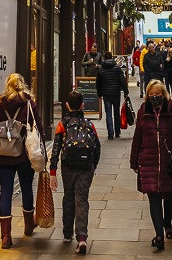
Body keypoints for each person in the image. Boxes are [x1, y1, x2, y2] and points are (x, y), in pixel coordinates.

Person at [0, 73, 45, 249]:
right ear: (22, 85)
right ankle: (28, 225)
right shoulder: (28, 103)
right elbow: (39, 127)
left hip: (3, 156)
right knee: (26, 188)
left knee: (6, 191)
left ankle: (6, 236)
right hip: (24, 155)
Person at [130, 80, 172, 251]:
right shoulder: (143, 112)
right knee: (153, 197)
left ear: (164, 95)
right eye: (152, 94)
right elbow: (137, 136)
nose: (155, 97)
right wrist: (133, 160)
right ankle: (159, 235)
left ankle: (167, 223)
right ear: (147, 95)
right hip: (149, 160)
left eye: (158, 94)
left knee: (170, 196)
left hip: (169, 162)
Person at [50, 90, 101, 254]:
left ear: (67, 106)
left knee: (69, 197)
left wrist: (52, 172)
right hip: (86, 167)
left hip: (68, 167)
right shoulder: (89, 124)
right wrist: (93, 166)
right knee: (82, 199)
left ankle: (67, 233)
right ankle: (82, 237)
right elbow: (97, 147)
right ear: (82, 105)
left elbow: (56, 149)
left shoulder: (62, 125)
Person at [96, 51, 129, 140]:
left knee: (108, 113)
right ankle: (117, 132)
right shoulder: (117, 68)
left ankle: (110, 133)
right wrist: (126, 91)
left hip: (106, 94)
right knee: (116, 112)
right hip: (115, 92)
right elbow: (122, 80)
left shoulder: (101, 69)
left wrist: (99, 93)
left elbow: (98, 83)